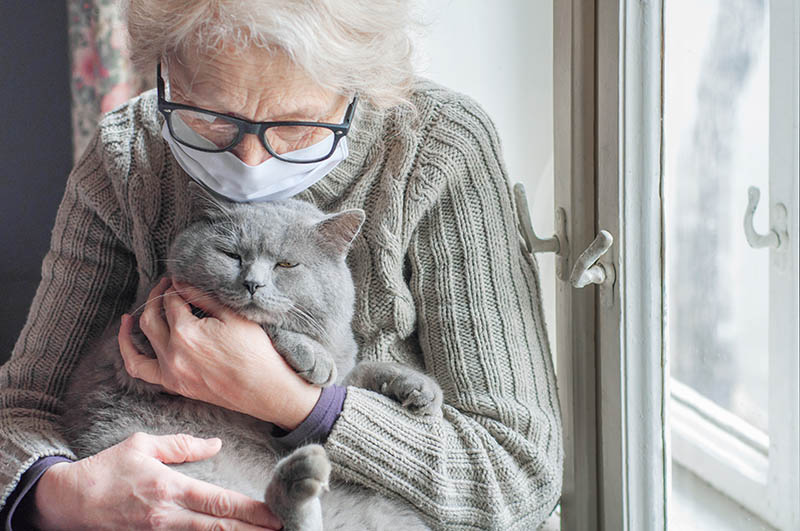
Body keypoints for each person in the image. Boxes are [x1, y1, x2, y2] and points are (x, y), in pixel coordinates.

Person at [0, 1, 563, 529]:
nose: (249, 159)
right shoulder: (130, 152)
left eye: (296, 124)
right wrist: (61, 494)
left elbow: (519, 475)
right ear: (167, 71)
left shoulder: (437, 146)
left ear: (355, 85)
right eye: (211, 118)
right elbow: (21, 410)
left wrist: (297, 404)